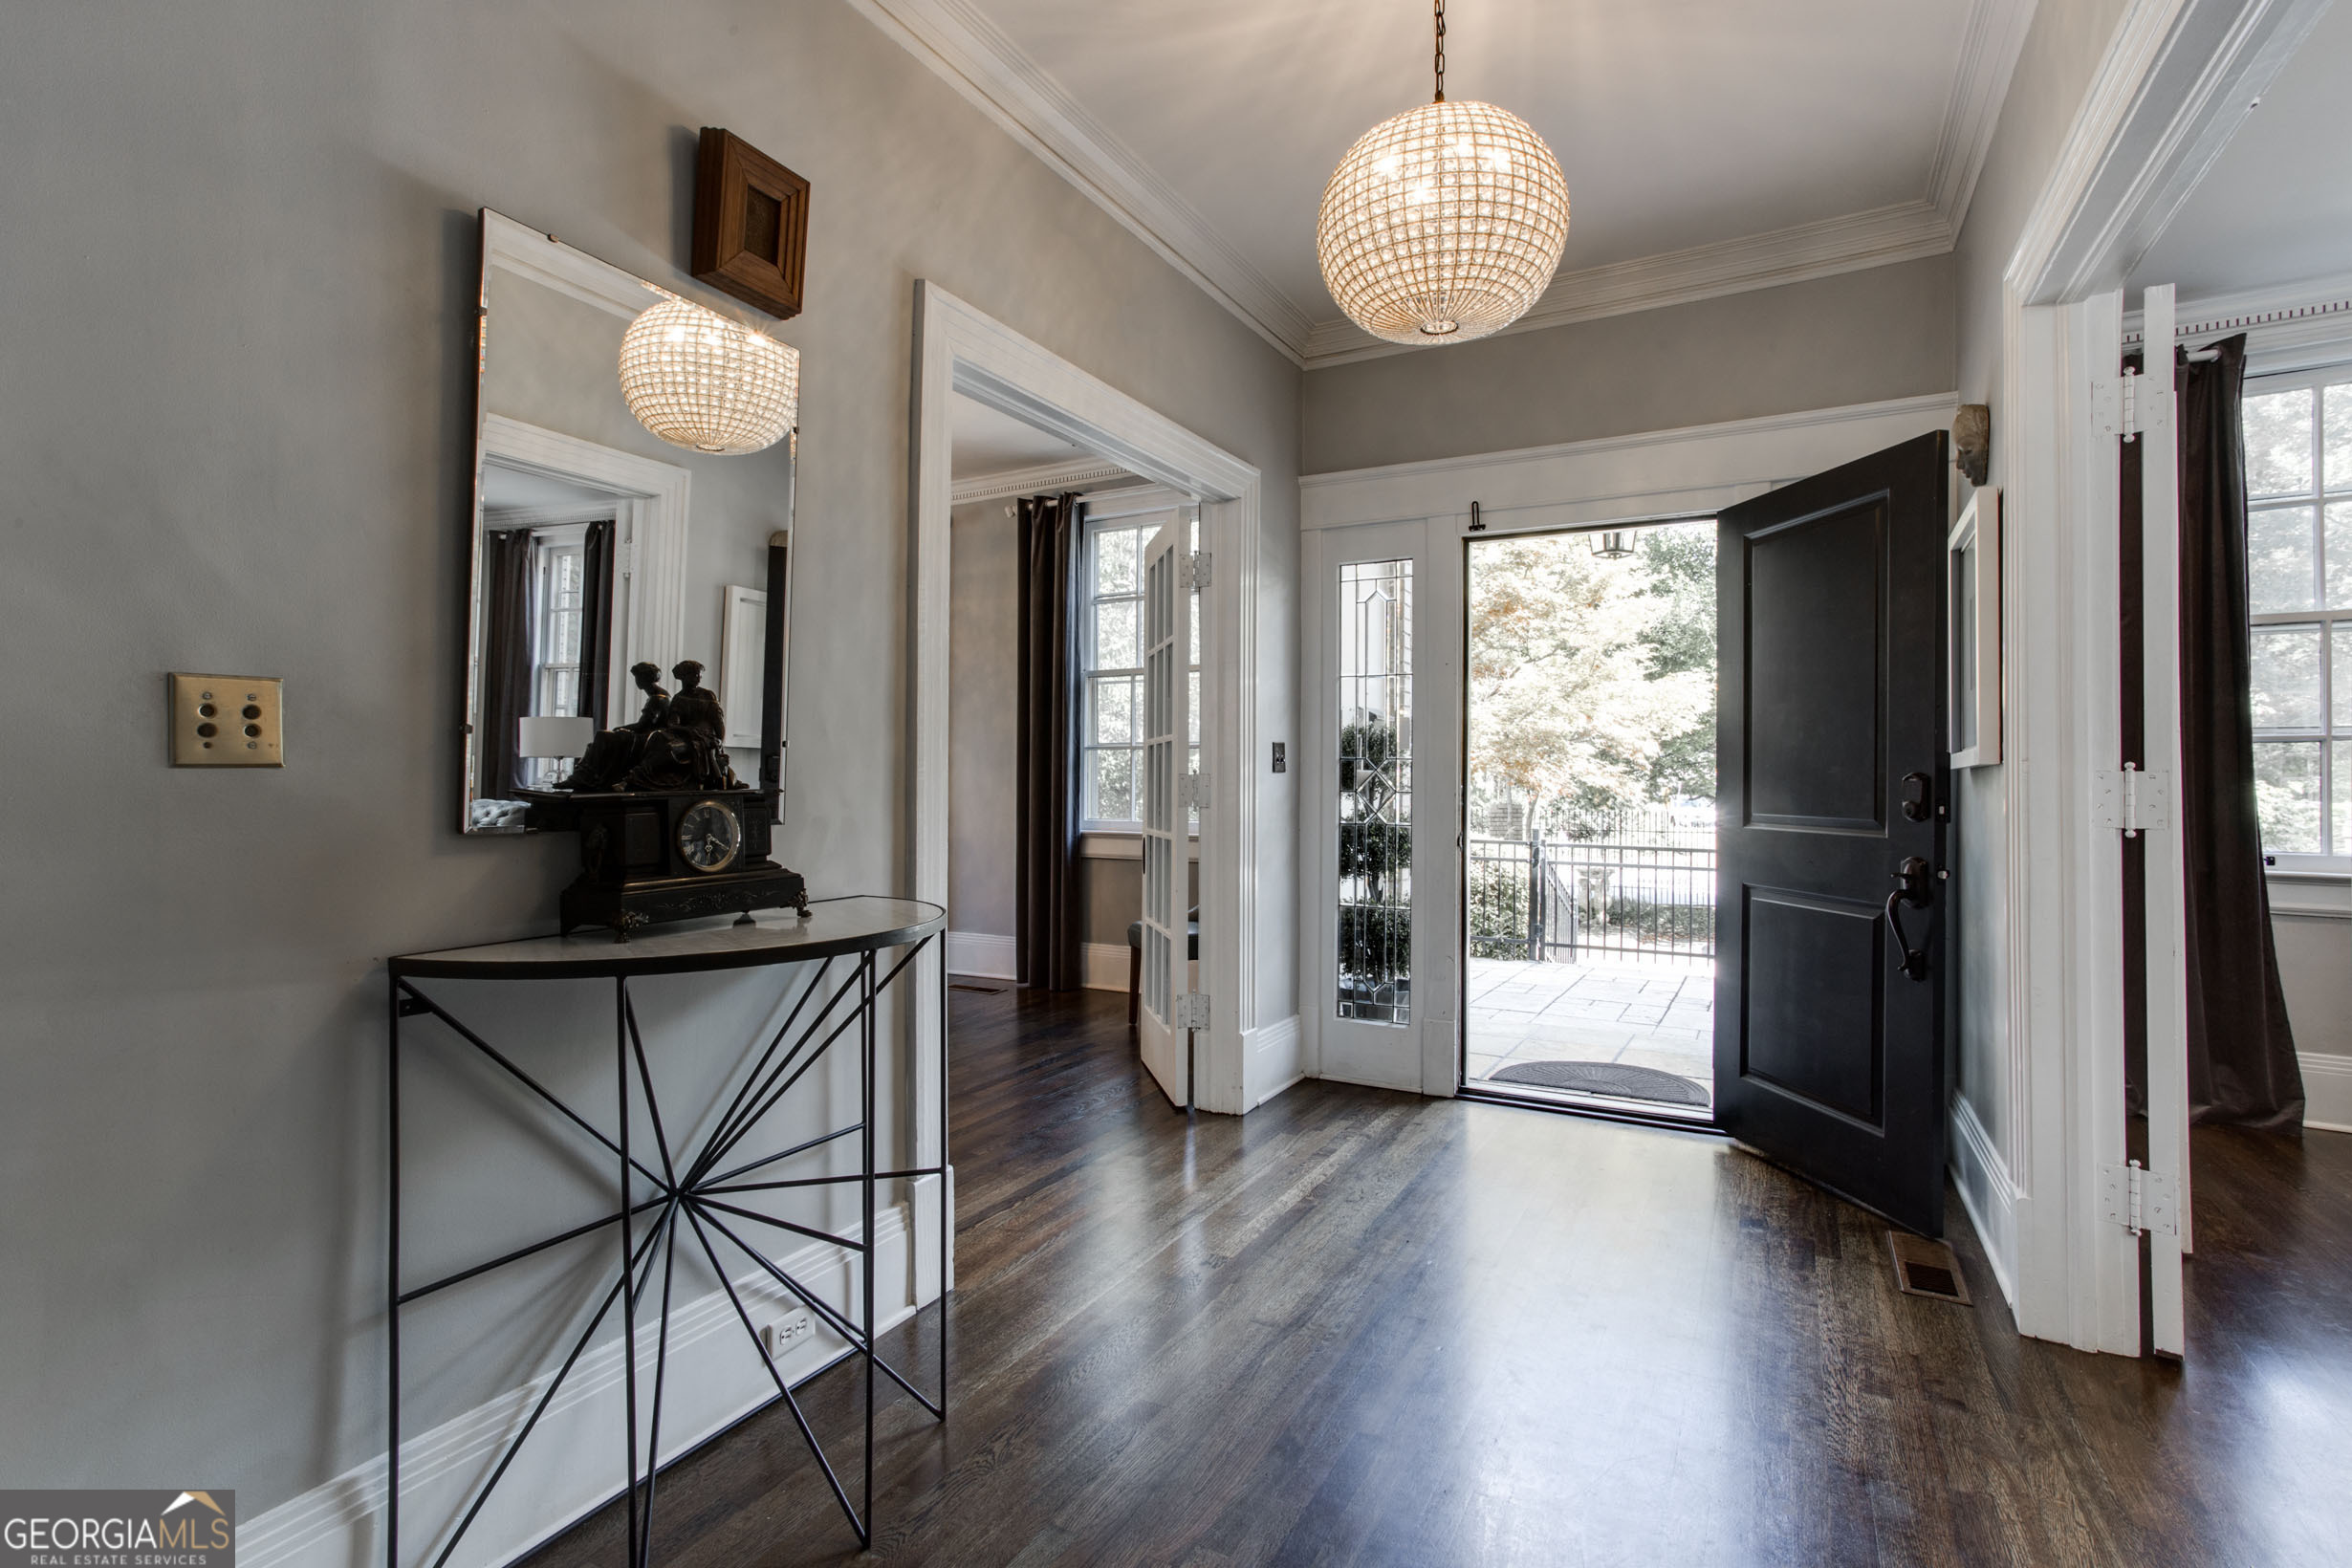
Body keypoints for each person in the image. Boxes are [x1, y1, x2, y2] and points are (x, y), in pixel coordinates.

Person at [555, 662, 668, 792]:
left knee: (603, 736)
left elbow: (642, 725)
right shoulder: (656, 696)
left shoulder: (657, 699)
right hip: (646, 735)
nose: (637, 681)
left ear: (644, 679)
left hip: (648, 738)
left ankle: (584, 777)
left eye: (638, 677)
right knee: (597, 743)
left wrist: (620, 728)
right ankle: (586, 777)